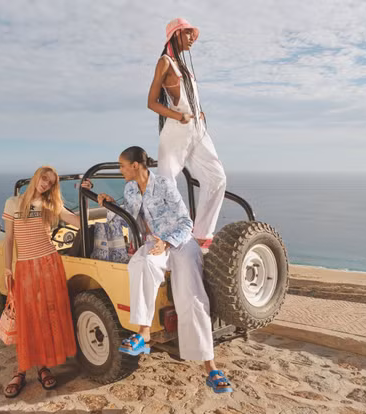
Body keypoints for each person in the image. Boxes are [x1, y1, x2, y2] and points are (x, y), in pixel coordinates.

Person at [87, 146, 232, 393]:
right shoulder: (130, 189)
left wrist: (168, 242)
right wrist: (110, 205)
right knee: (140, 263)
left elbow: (186, 222)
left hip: (181, 243)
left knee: (193, 299)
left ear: (135, 165)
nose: (121, 170)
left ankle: (211, 368)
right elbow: (127, 218)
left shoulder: (164, 185)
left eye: (122, 165)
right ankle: (143, 333)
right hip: (154, 244)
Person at [2, 166, 82, 398]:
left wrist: (88, 196)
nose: (46, 184)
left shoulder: (51, 204)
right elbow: (9, 239)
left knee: (46, 316)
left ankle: (43, 367)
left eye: (51, 182)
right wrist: (7, 268)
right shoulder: (13, 203)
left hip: (49, 265)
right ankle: (21, 370)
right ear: (36, 177)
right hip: (25, 267)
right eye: (44, 178)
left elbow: (77, 221)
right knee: (26, 318)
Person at [147, 17, 227, 248]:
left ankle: (202, 233)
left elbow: (190, 97)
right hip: (177, 129)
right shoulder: (165, 62)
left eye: (192, 33)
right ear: (176, 34)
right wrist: (178, 116)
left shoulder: (183, 65)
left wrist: (197, 112)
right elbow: (152, 102)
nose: (192, 38)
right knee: (166, 183)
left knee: (217, 177)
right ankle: (166, 233)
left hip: (197, 128)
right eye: (188, 32)